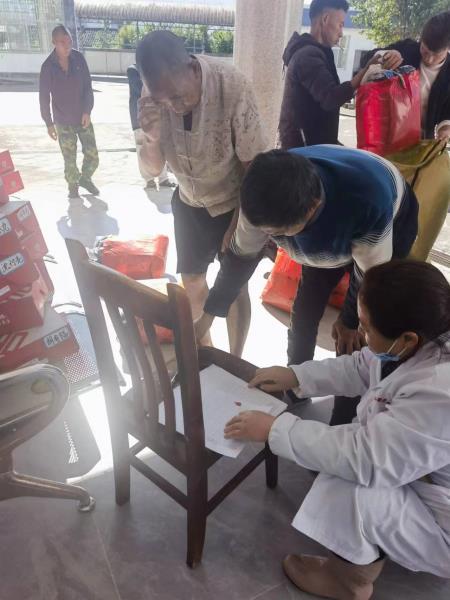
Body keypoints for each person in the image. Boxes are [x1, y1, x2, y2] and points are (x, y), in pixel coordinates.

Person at [224, 260, 450, 599]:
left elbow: (366, 459)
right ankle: (379, 542)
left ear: (407, 338)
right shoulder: (424, 335)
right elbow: (362, 366)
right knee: (338, 456)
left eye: (367, 328)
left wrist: (274, 429)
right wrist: (296, 376)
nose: (361, 335)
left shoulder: (439, 390)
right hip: (425, 479)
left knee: (348, 475)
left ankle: (350, 581)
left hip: (442, 518)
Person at [196, 145, 418, 424]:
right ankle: (294, 387)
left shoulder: (368, 204)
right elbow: (240, 258)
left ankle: (344, 418)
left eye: (277, 234)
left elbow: (371, 279)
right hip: (325, 218)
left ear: (312, 207)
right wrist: (209, 314)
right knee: (303, 314)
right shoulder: (262, 193)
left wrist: (350, 320)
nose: (269, 238)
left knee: (355, 336)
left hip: (389, 215)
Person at [135, 31, 267, 356]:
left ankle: (235, 359)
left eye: (178, 98)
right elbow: (151, 171)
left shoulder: (232, 86)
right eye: (164, 101)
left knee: (234, 287)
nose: (173, 107)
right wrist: (151, 138)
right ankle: (206, 353)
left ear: (192, 69)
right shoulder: (154, 95)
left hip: (233, 199)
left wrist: (238, 222)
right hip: (188, 198)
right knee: (192, 281)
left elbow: (255, 168)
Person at [279, 0, 380, 148]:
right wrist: (365, 71)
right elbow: (330, 97)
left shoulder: (318, 52)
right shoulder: (307, 56)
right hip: (303, 151)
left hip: (312, 145)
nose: (341, 33)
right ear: (325, 19)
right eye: (340, 25)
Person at [363, 10, 450, 141]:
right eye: (425, 51)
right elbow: (366, 59)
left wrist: (446, 128)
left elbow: (447, 110)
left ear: (447, 49)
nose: (429, 59)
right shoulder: (407, 49)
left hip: (422, 141)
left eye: (436, 55)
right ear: (421, 40)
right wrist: (386, 54)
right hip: (387, 135)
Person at [39, 25, 100, 203]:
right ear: (54, 43)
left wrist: (87, 110)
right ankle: (73, 187)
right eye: (62, 43)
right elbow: (44, 98)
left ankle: (85, 178)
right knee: (69, 158)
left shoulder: (79, 59)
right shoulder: (47, 67)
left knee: (93, 155)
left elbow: (88, 87)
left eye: (69, 41)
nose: (67, 46)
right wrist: (49, 123)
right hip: (63, 121)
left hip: (82, 117)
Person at [126, 64, 174, 191]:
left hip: (156, 118)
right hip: (139, 118)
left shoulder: (156, 70)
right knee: (142, 147)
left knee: (160, 147)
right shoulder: (133, 70)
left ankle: (163, 179)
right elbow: (142, 90)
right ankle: (149, 180)